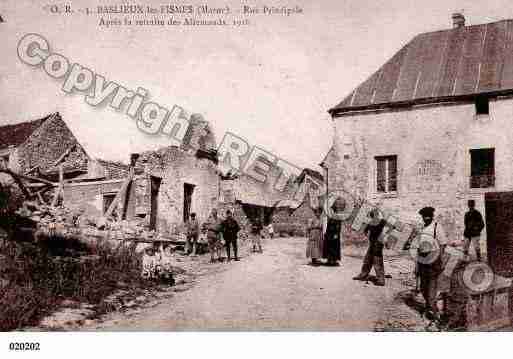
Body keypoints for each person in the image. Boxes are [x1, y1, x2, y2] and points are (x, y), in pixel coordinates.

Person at [409, 206, 448, 321]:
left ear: (432, 216)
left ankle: (435, 315)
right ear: (422, 218)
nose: (426, 219)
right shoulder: (422, 229)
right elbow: (417, 247)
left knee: (431, 287)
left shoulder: (437, 227)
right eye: (424, 217)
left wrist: (440, 259)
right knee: (422, 287)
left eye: (428, 217)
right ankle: (430, 307)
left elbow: (443, 244)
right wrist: (416, 265)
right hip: (422, 260)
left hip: (433, 259)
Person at [353, 209, 387, 286]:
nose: (375, 216)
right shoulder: (372, 222)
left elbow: (392, 226)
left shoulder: (382, 221)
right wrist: (368, 236)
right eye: (374, 215)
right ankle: (363, 274)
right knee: (368, 259)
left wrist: (384, 236)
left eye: (375, 214)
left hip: (378, 243)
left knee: (377, 260)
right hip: (372, 243)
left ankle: (381, 279)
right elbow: (365, 231)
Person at [323, 198, 344, 266]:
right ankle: (329, 260)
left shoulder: (338, 215)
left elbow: (338, 225)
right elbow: (327, 223)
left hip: (334, 232)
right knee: (328, 246)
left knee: (334, 246)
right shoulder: (329, 215)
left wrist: (337, 234)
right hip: (329, 232)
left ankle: (334, 260)